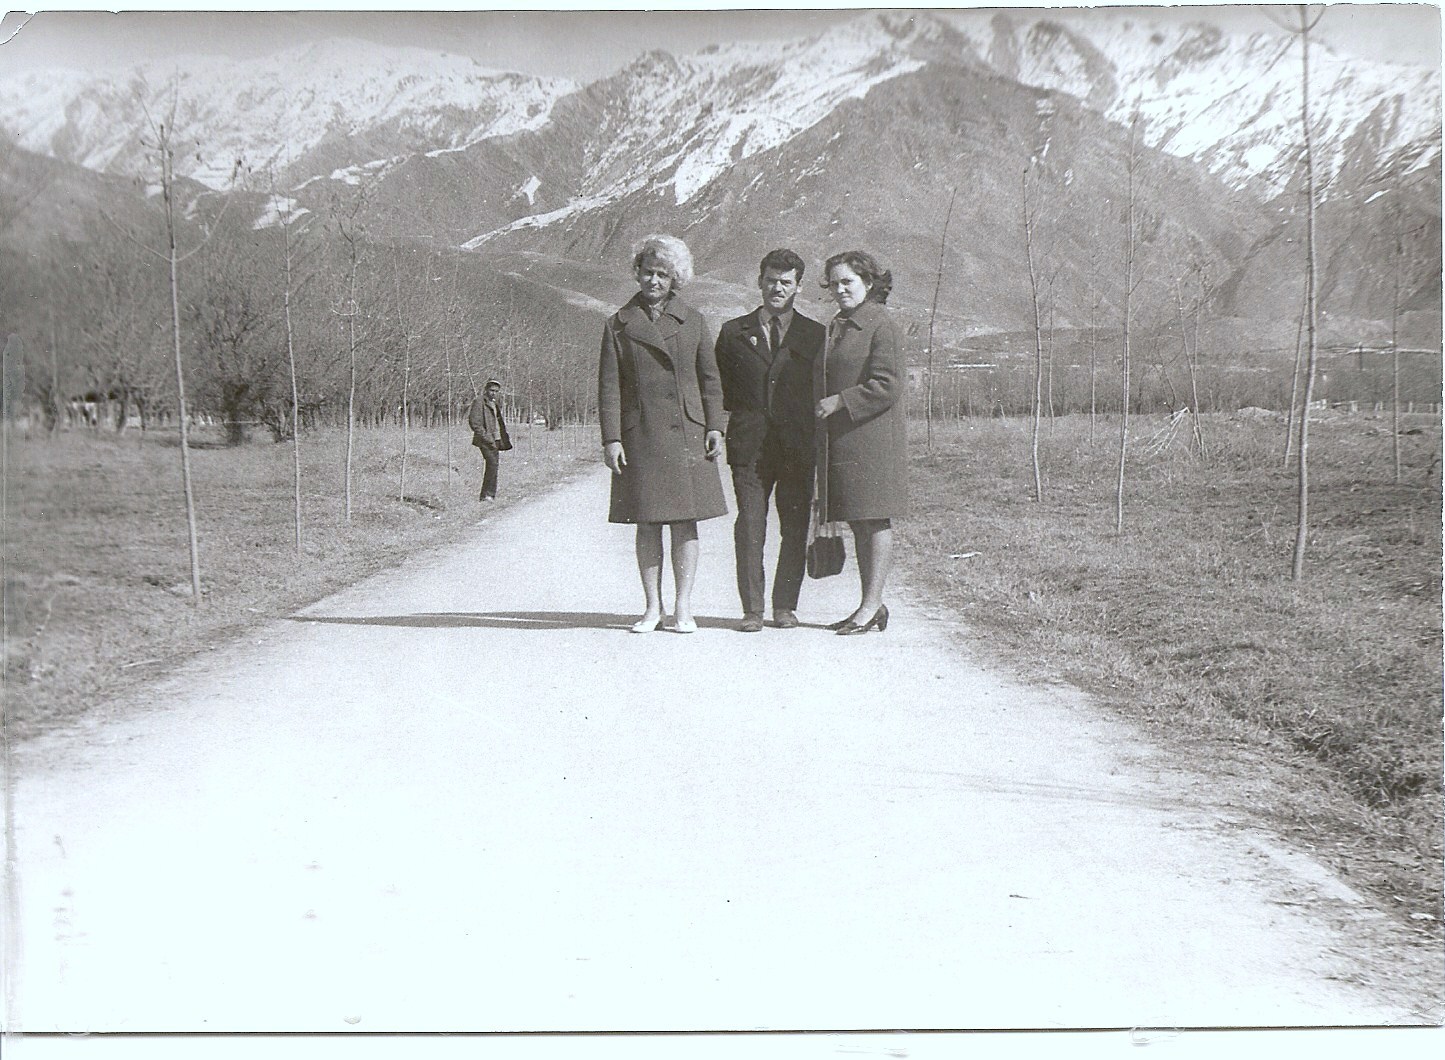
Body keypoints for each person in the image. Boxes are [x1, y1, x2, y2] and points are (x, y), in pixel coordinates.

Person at [598, 234, 726, 634]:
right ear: (637, 273)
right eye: (648, 272)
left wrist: (715, 426)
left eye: (663, 275)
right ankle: (652, 608)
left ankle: (683, 608)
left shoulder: (695, 322)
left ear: (676, 279)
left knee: (685, 522)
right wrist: (612, 438)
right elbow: (609, 387)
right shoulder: (618, 325)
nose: (654, 281)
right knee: (648, 522)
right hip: (642, 435)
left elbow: (711, 381)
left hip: (688, 433)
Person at [715, 249, 825, 632]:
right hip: (749, 447)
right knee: (750, 525)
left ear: (798, 287)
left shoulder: (814, 335)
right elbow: (721, 389)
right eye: (770, 280)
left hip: (797, 448)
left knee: (793, 526)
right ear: (759, 281)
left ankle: (784, 606)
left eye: (786, 282)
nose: (777, 288)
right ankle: (751, 610)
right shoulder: (732, 333)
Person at [814, 250, 908, 635]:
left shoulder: (880, 324)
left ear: (868, 283)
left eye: (847, 282)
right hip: (846, 438)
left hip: (872, 440)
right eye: (834, 284)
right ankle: (870, 605)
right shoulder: (840, 324)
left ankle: (870, 607)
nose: (839, 290)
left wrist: (840, 401)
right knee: (859, 520)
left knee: (873, 519)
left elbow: (888, 385)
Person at [467, 378, 510, 501]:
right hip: (485, 440)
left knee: (494, 466)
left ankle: (489, 495)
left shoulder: (494, 403)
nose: (494, 393)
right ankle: (487, 495)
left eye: (496, 391)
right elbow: (474, 423)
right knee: (492, 464)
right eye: (491, 390)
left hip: (496, 440)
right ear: (486, 390)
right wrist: (486, 437)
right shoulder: (479, 402)